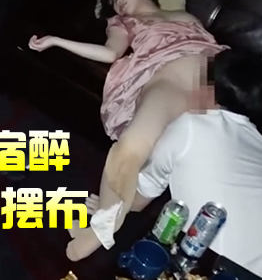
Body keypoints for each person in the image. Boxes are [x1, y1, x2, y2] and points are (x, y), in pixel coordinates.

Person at [28, 0, 228, 260]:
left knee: (182, 157)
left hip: (215, 74)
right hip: (170, 75)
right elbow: (109, 53)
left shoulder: (184, 15)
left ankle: (115, 207)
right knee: (134, 145)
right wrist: (56, 41)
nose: (117, 1)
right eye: (111, 0)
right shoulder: (122, 22)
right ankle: (103, 225)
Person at [86, 48, 262, 276]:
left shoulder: (192, 127)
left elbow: (137, 199)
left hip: (216, 268)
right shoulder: (258, 141)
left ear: (211, 90)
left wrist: (108, 207)